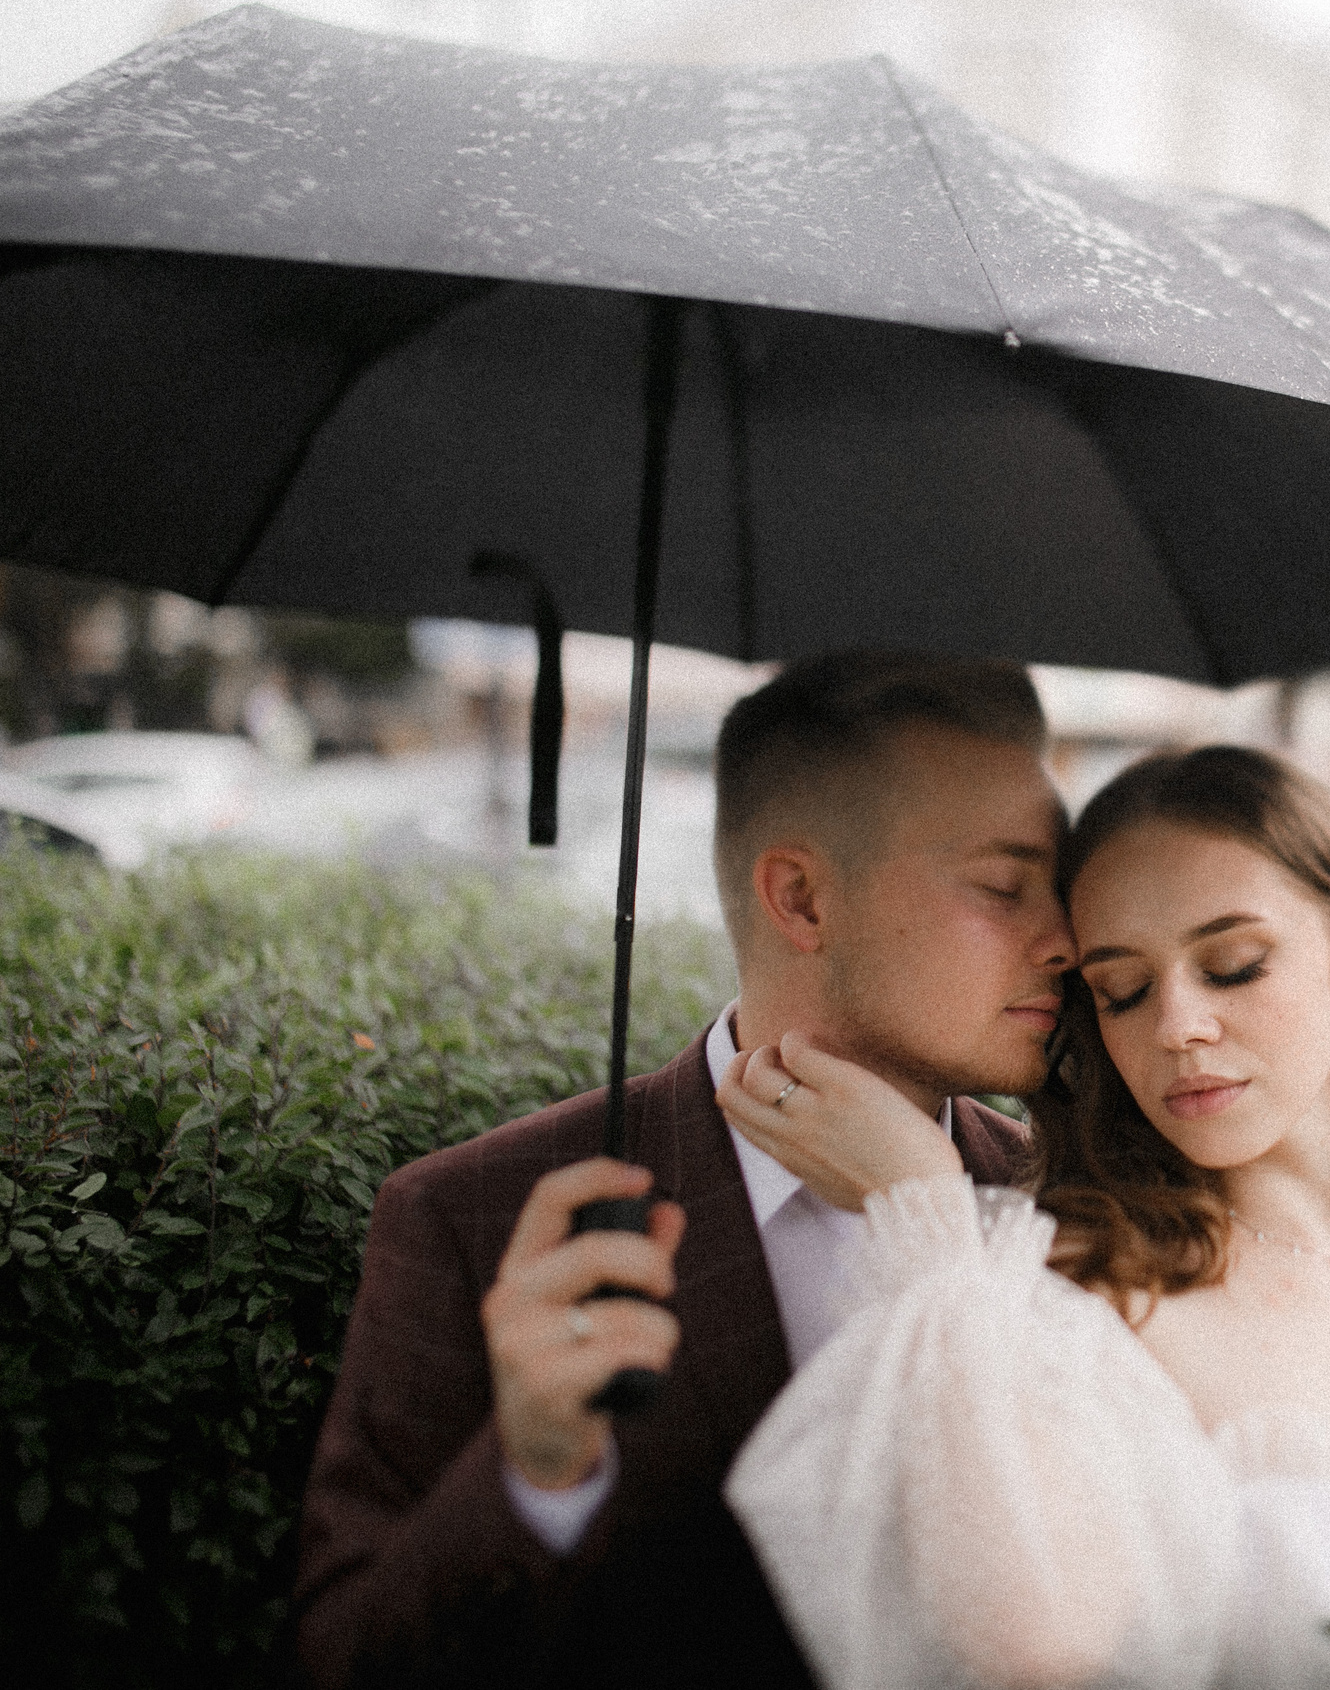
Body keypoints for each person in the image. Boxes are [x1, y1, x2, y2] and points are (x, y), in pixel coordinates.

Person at [715, 744, 1330, 1689]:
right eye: (1120, 991)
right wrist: (925, 1215)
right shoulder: (1086, 1297)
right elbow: (1038, 1653)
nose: (1179, 1027)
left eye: (1233, 964)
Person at [289, 653, 1077, 1688]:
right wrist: (532, 1475)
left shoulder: (1065, 1206)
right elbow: (340, 1669)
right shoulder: (475, 1218)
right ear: (799, 899)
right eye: (1004, 887)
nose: (1065, 940)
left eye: (1061, 891)